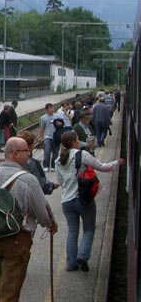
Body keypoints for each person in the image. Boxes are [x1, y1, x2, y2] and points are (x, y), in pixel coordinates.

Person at [0, 137, 58, 302]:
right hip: (17, 240)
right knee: (9, 293)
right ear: (16, 154)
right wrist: (50, 224)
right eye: (27, 151)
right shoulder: (28, 180)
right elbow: (42, 212)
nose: (30, 154)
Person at [55, 131, 124, 271]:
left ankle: (70, 264)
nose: (79, 141)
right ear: (74, 141)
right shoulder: (82, 155)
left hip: (66, 201)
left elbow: (61, 181)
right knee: (89, 229)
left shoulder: (58, 160)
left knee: (72, 231)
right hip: (83, 199)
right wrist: (117, 162)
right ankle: (83, 255)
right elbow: (103, 167)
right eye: (77, 139)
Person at [18, 130, 58, 194]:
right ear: (29, 146)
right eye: (33, 144)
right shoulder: (33, 163)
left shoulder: (8, 162)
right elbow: (43, 186)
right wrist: (52, 185)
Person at [39, 103, 57, 171]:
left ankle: (53, 166)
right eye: (50, 108)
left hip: (55, 137)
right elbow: (42, 128)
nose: (52, 109)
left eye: (52, 108)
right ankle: (46, 166)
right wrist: (41, 137)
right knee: (47, 151)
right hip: (47, 137)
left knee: (55, 153)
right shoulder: (43, 118)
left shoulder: (57, 116)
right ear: (46, 110)